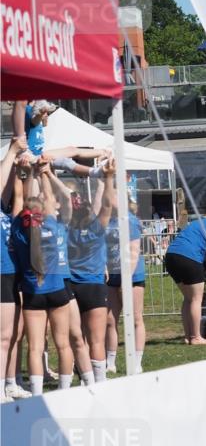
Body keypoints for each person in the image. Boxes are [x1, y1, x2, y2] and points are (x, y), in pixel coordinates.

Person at [11, 162, 73, 394]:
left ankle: (37, 395)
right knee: (63, 344)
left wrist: (24, 173)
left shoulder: (18, 231)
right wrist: (44, 172)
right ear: (43, 212)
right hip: (57, 289)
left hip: (32, 292)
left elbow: (20, 196)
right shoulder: (53, 225)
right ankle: (64, 390)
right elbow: (49, 197)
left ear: (24, 214)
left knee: (35, 348)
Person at [64, 159, 116, 384]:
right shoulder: (96, 227)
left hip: (72, 287)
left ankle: (87, 380)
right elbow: (105, 205)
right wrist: (107, 179)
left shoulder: (65, 229)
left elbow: (100, 205)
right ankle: (99, 382)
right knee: (97, 340)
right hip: (93, 286)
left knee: (78, 339)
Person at [1, 138, 31, 400]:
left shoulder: (10, 212)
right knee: (4, 334)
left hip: (15, 273)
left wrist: (23, 169)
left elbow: (19, 192)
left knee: (16, 333)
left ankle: (12, 381)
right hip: (1, 273)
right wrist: (11, 151)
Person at [164, 212, 206, 345]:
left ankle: (188, 336)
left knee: (189, 299)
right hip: (189, 256)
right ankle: (196, 337)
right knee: (196, 299)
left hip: (171, 256)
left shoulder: (200, 223)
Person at [105, 201, 147, 374]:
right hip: (111, 275)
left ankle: (137, 362)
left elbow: (134, 249)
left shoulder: (130, 220)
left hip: (132, 276)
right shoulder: (107, 219)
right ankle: (110, 362)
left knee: (136, 318)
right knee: (110, 320)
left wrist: (126, 279)